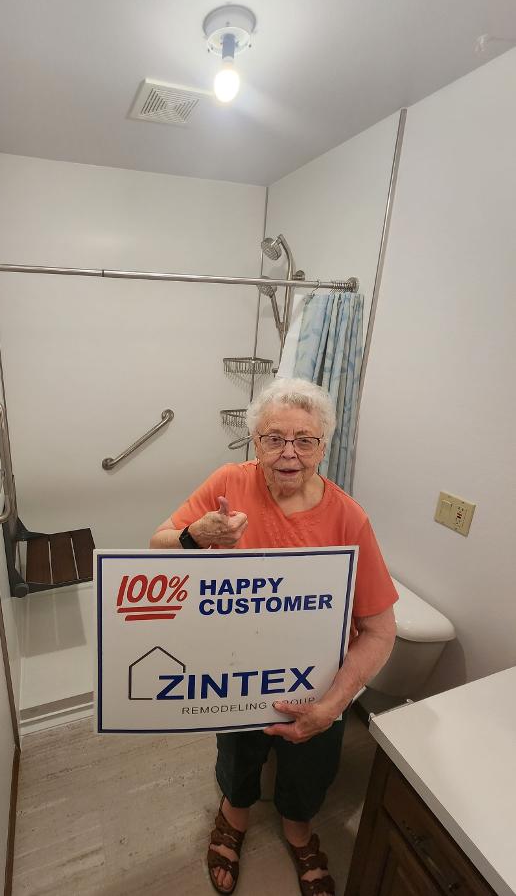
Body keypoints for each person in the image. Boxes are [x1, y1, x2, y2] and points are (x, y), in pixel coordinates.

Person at [150, 377, 397, 896]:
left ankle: (298, 828)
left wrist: (333, 705)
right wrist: (195, 537)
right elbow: (158, 545)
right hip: (235, 668)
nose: (289, 453)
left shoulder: (349, 518)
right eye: (274, 438)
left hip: (317, 679)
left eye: (305, 440)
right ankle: (233, 813)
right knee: (237, 752)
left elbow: (379, 629)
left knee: (310, 767)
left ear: (323, 447)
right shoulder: (229, 483)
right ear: (255, 441)